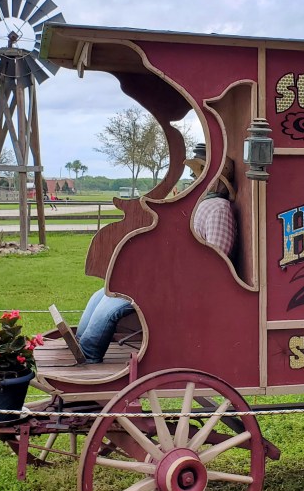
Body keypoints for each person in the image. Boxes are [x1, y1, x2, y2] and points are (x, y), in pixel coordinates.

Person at [74, 144, 237, 363]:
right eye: (197, 173)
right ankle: (81, 345)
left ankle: (89, 355)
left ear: (214, 179)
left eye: (199, 173)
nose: (193, 178)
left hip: (183, 287)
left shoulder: (218, 208)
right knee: (104, 293)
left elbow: (217, 261)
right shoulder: (203, 205)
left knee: (114, 302)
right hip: (170, 278)